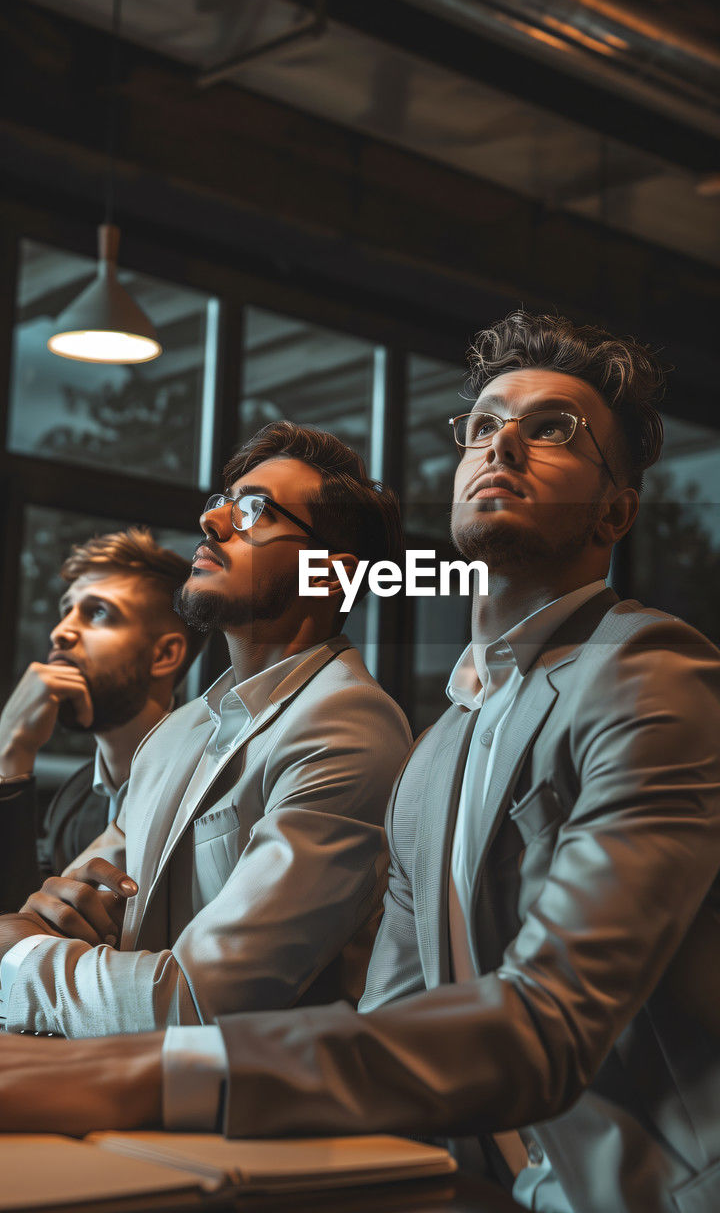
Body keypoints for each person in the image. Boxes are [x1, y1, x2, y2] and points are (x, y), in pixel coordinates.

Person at [3, 314, 720, 1213]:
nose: (504, 445)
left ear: (615, 510)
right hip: (457, 1182)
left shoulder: (653, 671)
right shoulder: (439, 748)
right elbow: (387, 1035)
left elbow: (547, 1025)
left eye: (552, 430)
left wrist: (132, 1075)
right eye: (486, 425)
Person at [0, 422, 412, 1039]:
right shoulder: (177, 732)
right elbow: (51, 914)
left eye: (255, 512)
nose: (215, 523)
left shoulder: (350, 723)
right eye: (221, 504)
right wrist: (34, 937)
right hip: (110, 1081)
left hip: (247, 1116)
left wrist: (15, 957)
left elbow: (199, 1002)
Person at [0, 529, 204, 913]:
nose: (60, 632)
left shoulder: (203, 788)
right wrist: (11, 752)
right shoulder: (75, 798)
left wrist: (12, 747)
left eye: (97, 612)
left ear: (164, 654)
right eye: (66, 611)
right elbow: (20, 927)